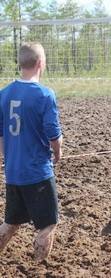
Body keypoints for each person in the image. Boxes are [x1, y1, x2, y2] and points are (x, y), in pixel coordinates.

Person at [0, 43, 63, 261]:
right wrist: (58, 153)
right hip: (37, 172)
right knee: (48, 224)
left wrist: (8, 159)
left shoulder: (4, 94)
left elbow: (1, 135)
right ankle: (39, 265)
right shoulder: (45, 94)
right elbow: (53, 134)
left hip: (13, 171)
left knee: (11, 222)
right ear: (40, 63)